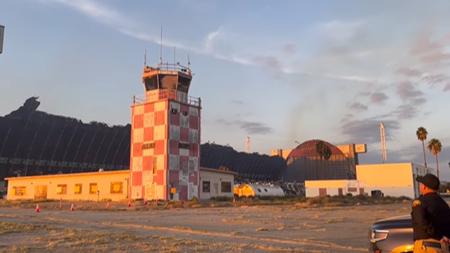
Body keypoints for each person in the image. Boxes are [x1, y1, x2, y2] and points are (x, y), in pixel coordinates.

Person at [412, 173, 450, 253]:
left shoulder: (420, 202)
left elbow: (421, 221)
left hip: (427, 247)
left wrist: (439, 236)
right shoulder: (443, 204)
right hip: (444, 247)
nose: (420, 186)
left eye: (421, 184)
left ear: (424, 187)